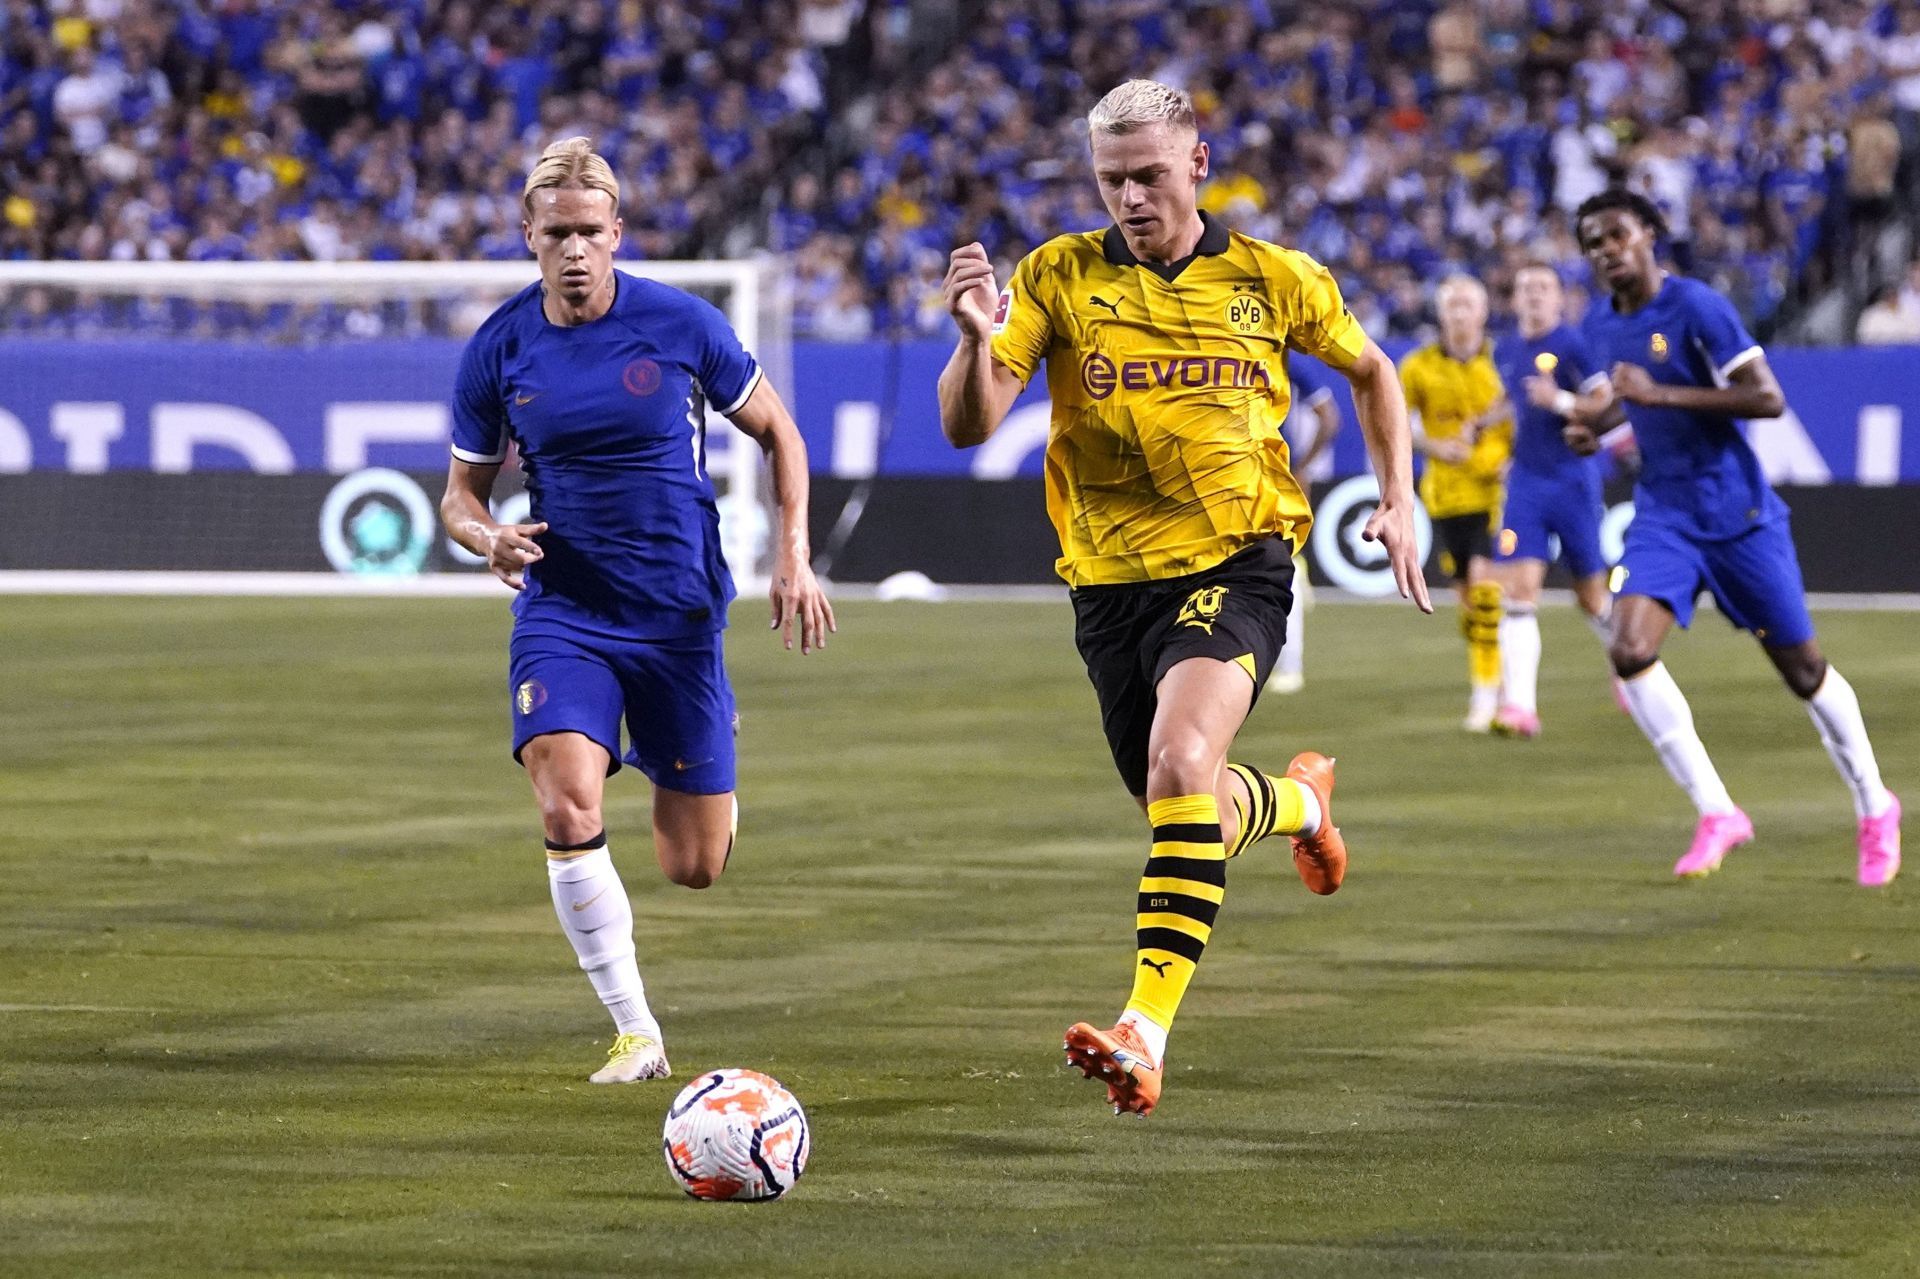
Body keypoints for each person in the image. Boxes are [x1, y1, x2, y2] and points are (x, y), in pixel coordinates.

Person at [937, 80, 1431, 1118]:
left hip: (1237, 560)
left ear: (1198, 164)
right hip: (1111, 584)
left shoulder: (1272, 277)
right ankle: (1300, 803)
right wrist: (976, 339)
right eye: (1112, 179)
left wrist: (1399, 500)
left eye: (1150, 175)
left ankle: (1142, 1031)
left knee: (1178, 763)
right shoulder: (1059, 276)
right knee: (1180, 806)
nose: (1130, 197)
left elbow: (1375, 371)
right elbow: (971, 426)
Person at [439, 137, 835, 1082]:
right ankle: (636, 1030)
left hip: (679, 615)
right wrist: (484, 536)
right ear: (527, 236)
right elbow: (457, 496)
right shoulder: (498, 347)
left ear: (617, 233)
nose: (573, 251)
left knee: (692, 866)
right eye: (555, 234)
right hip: (564, 610)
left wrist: (793, 554)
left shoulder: (681, 323)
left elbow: (780, 432)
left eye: (589, 232)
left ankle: (707, 740)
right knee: (566, 795)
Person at [1565, 188, 1900, 884]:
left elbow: (1767, 397)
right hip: (1664, 515)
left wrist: (1660, 394)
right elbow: (1626, 396)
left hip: (1739, 517)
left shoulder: (1697, 308)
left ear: (1652, 233)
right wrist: (1590, 426)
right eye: (1593, 242)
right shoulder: (1599, 324)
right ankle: (1717, 810)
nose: (1607, 251)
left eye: (1617, 234)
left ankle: (1874, 803)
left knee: (1804, 671)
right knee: (1629, 651)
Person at [1489, 263, 1614, 738]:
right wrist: (1485, 422)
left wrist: (1559, 401)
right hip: (1526, 483)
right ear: (1515, 298)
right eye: (1526, 288)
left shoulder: (1573, 344)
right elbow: (1511, 398)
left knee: (1592, 597)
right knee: (1519, 591)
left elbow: (1604, 402)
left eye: (1543, 288)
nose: (1534, 296)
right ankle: (1520, 706)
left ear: (1560, 298)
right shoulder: (1507, 347)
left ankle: (1626, 664)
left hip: (1573, 483)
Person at [1399, 275, 1514, 732]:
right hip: (1445, 494)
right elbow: (1399, 422)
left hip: (1494, 492)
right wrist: (1431, 446)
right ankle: (1499, 675)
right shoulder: (1417, 366)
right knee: (1468, 599)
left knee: (1487, 590)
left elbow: (1525, 412)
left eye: (1469, 303)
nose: (1461, 312)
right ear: (1441, 312)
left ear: (1484, 312)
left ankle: (1486, 698)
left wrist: (1512, 460)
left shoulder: (1503, 361)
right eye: (1453, 304)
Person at [1265, 355, 1344, 696]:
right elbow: (1329, 418)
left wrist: (1301, 467)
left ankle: (1290, 664)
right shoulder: (1287, 357)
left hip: (1264, 477)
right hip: (1266, 475)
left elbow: (1330, 419)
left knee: (1283, 568)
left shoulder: (1285, 357)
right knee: (1280, 566)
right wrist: (1302, 467)